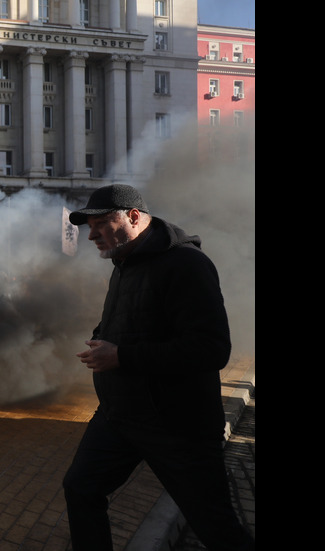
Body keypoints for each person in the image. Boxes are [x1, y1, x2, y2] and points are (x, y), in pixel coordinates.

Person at [62, 184, 254, 551]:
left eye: (100, 224)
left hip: (178, 424)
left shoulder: (187, 265)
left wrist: (121, 356)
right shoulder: (122, 263)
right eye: (89, 226)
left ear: (133, 217)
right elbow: (127, 320)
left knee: (215, 525)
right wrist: (101, 336)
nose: (91, 235)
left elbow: (211, 349)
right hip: (120, 416)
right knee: (81, 488)